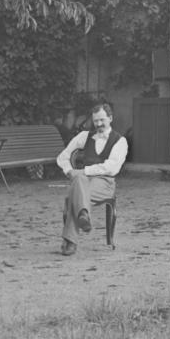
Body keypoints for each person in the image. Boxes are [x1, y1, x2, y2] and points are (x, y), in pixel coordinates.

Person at [55, 101, 128, 256]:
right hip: (83, 180)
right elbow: (63, 157)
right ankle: (83, 214)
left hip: (105, 182)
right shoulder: (84, 136)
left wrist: (84, 171)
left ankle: (70, 242)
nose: (99, 124)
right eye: (95, 120)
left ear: (110, 118)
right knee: (78, 182)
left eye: (102, 119)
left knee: (74, 195)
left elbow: (111, 167)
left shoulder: (120, 141)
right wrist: (70, 172)